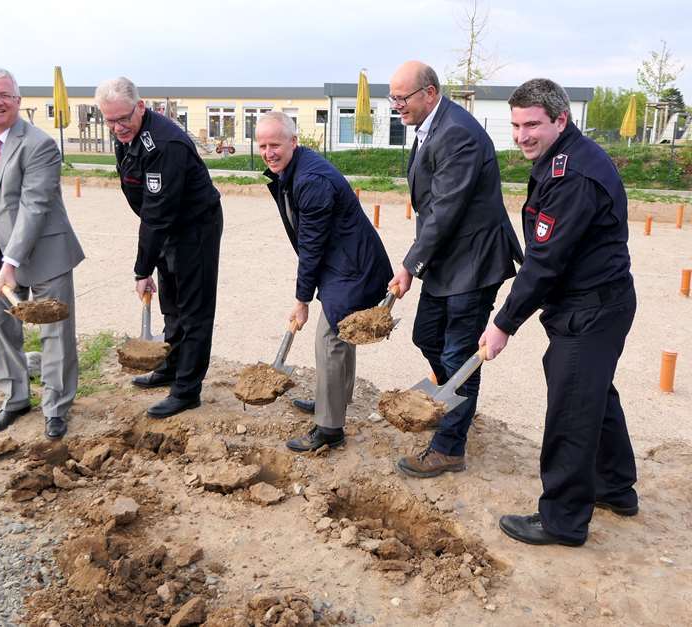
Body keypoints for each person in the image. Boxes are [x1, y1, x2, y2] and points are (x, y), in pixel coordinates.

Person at [480, 78, 638, 547]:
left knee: (571, 408)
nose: (522, 135)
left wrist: (503, 323)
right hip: (593, 302)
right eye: (515, 125)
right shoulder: (562, 158)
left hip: (592, 308)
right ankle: (615, 488)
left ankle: (563, 520)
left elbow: (545, 262)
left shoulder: (573, 176)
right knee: (593, 396)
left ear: (561, 120)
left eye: (533, 124)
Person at [387, 61, 522, 477]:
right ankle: (458, 406)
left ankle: (449, 447)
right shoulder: (431, 125)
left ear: (429, 93)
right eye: (392, 99)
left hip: (475, 261)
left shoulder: (457, 133)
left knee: (457, 351)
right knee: (425, 334)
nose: (397, 107)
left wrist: (410, 265)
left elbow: (445, 208)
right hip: (449, 259)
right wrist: (417, 261)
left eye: (402, 98)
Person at [0, 67, 85, 440]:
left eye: (5, 95)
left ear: (18, 101)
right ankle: (14, 398)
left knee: (54, 332)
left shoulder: (40, 145)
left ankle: (56, 407)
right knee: (0, 330)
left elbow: (34, 206)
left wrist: (10, 264)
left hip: (45, 253)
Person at [256, 112, 392, 452]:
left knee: (330, 338)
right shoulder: (295, 170)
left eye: (275, 144)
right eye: (262, 146)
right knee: (340, 333)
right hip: (345, 261)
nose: (269, 152)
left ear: (294, 142)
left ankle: (330, 428)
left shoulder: (310, 181)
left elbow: (311, 247)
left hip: (352, 267)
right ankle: (334, 400)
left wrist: (301, 300)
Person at [95, 77, 223, 419]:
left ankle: (186, 390)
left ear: (141, 106)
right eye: (110, 120)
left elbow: (156, 214)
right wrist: (153, 261)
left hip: (194, 228)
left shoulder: (165, 144)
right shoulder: (129, 136)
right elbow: (150, 210)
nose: (118, 127)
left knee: (194, 309)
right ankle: (170, 367)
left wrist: (142, 269)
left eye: (123, 118)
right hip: (167, 227)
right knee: (171, 302)